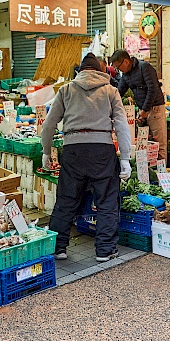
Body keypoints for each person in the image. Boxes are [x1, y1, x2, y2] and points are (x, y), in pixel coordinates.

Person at [41, 53, 132, 262]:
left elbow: (49, 125)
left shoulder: (65, 90)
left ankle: (59, 247)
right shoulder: (111, 90)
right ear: (99, 71)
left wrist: (46, 151)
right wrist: (125, 158)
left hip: (73, 150)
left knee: (66, 200)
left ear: (80, 71)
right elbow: (121, 125)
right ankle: (105, 250)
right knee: (107, 200)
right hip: (102, 150)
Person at [112, 50, 167, 160]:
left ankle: (162, 172)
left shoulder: (144, 67)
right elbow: (119, 91)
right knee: (144, 144)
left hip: (154, 109)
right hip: (143, 110)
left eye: (118, 66)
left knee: (159, 144)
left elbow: (153, 89)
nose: (118, 70)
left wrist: (145, 110)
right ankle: (147, 171)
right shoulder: (126, 75)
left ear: (126, 61)